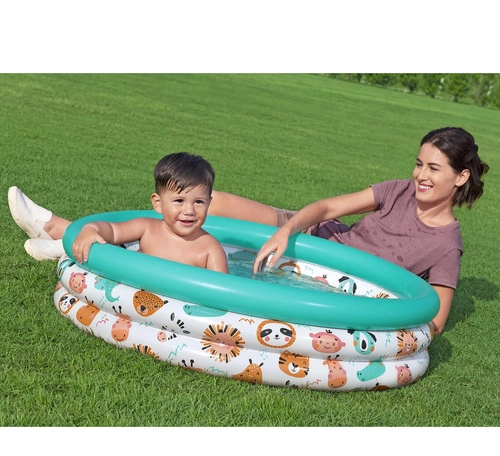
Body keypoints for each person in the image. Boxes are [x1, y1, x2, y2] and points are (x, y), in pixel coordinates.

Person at [8, 127, 489, 334]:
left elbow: (434, 320)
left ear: (460, 177)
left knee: (201, 215)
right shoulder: (398, 190)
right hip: (314, 236)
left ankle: (62, 239)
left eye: (433, 169)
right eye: (418, 163)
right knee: (207, 203)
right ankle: (66, 232)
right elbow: (327, 207)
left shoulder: (446, 245)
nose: (420, 175)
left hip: (332, 273)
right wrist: (287, 228)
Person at [8, 152, 229, 274]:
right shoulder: (147, 228)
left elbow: (222, 293)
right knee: (103, 246)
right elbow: (112, 230)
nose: (189, 211)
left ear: (209, 203)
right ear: (158, 203)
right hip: (132, 287)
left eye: (199, 202)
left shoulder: (210, 249)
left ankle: (58, 240)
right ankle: (64, 240)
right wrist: (90, 229)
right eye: (179, 201)